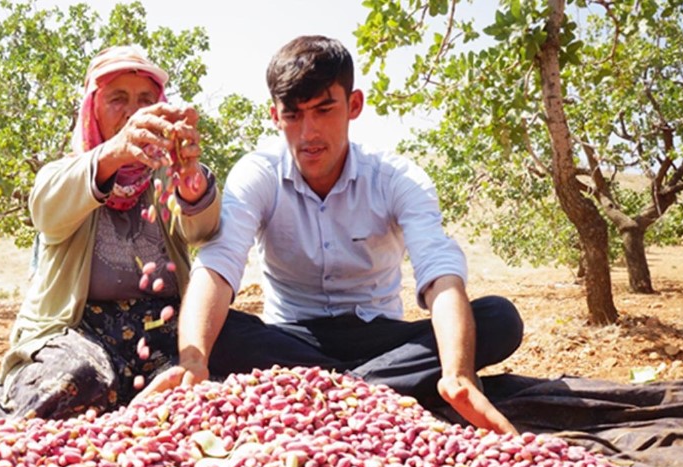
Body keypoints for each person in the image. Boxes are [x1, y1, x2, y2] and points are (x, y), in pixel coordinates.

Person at [148, 35, 522, 434]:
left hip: (382, 336)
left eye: (324, 110)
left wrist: (458, 373)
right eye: (293, 115)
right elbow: (219, 265)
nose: (309, 133)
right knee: (209, 332)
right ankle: (374, 388)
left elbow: (440, 274)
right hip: (291, 340)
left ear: (354, 105)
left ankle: (321, 390)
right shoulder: (259, 173)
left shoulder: (396, 178)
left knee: (499, 319)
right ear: (275, 116)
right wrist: (194, 361)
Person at [0, 45, 220, 420]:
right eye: (118, 99)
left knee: (250, 348)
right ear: (92, 109)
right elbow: (47, 212)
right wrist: (115, 152)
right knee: (74, 381)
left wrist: (192, 184)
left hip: (164, 324)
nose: (133, 112)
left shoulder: (166, 176)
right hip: (79, 332)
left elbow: (203, 232)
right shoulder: (66, 173)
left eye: (145, 100)